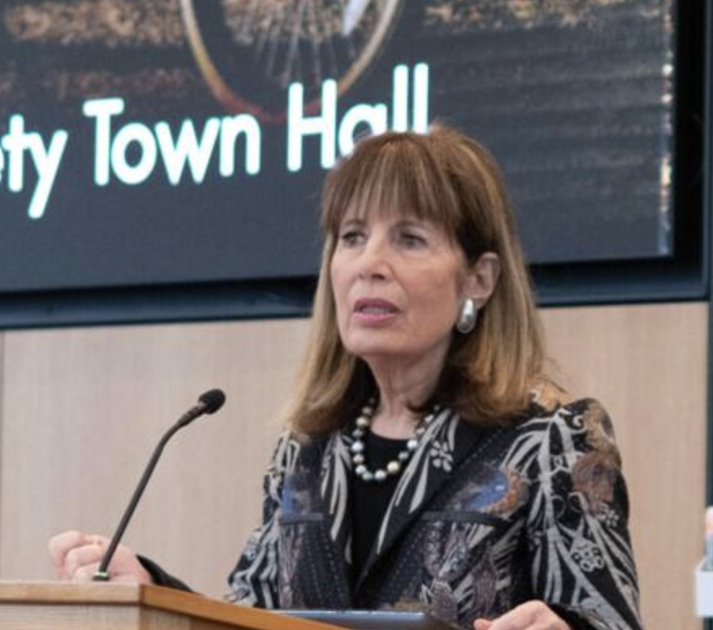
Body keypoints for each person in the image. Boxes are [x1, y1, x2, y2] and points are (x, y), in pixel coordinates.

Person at [48, 127, 642, 630]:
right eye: (353, 237)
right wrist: (150, 588)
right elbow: (247, 620)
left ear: (478, 280)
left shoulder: (550, 439)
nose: (369, 264)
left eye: (409, 239)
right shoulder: (307, 451)